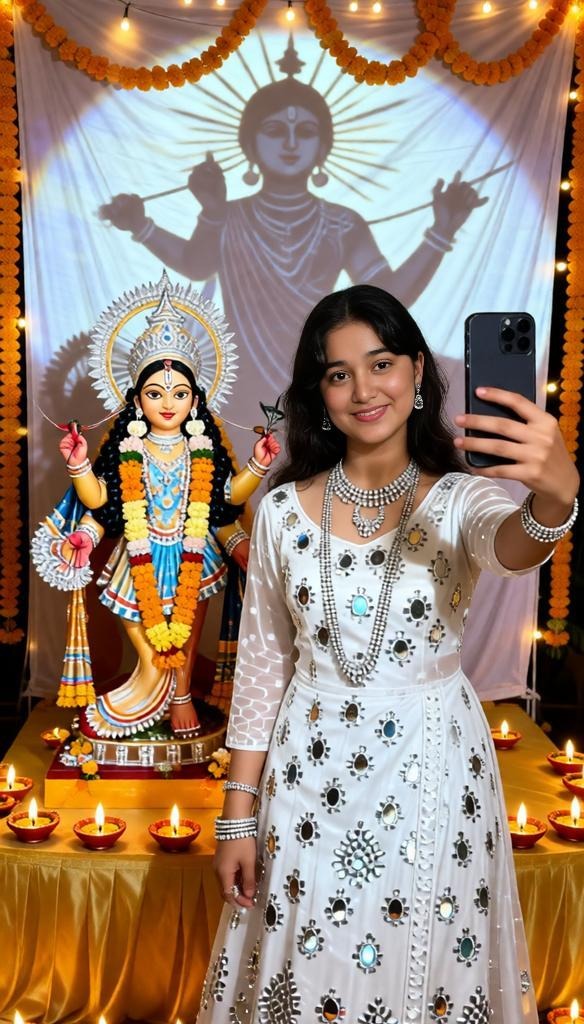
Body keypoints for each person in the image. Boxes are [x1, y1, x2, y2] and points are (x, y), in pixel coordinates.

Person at [196, 284, 579, 1023]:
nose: (364, 389)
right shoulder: (279, 511)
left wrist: (555, 501)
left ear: (416, 374)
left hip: (432, 770)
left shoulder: (461, 500)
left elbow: (511, 549)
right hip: (304, 775)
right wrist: (237, 817)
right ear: (320, 393)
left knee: (426, 969)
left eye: (381, 364)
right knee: (304, 970)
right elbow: (264, 666)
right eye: (339, 374)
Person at [99, 41, 487, 414]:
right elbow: (197, 264)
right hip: (239, 383)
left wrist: (442, 232)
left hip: (317, 381)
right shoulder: (229, 214)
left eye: (304, 132)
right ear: (249, 144)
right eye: (273, 131)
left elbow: (389, 295)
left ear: (323, 148)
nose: (289, 143)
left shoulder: (341, 223)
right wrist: (148, 223)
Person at [32, 278, 279, 741]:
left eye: (180, 393)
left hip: (193, 556)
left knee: (184, 638)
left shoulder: (201, 447)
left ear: (196, 398)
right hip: (138, 558)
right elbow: (99, 503)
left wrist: (258, 466)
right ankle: (143, 698)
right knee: (148, 648)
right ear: (137, 399)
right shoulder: (129, 446)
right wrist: (78, 464)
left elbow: (227, 499)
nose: (169, 403)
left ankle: (180, 697)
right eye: (156, 394)